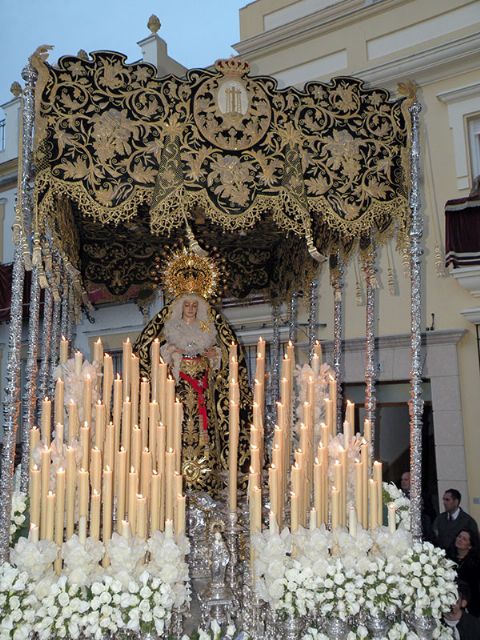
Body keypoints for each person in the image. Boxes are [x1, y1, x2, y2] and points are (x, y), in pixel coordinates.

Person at [134, 282, 251, 498]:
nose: (190, 309)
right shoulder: (173, 326)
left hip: (203, 386)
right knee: (179, 424)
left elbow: (222, 349)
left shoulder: (206, 326)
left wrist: (214, 355)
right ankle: (176, 472)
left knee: (204, 426)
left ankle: (207, 475)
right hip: (180, 385)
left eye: (193, 306)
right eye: (186, 305)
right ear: (181, 307)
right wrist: (172, 352)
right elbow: (156, 351)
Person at [447, 530, 480, 617]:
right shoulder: (447, 555)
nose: (460, 539)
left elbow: (475, 588)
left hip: (467, 604)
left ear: (470, 546)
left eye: (464, 539)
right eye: (459, 536)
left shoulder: (475, 564)